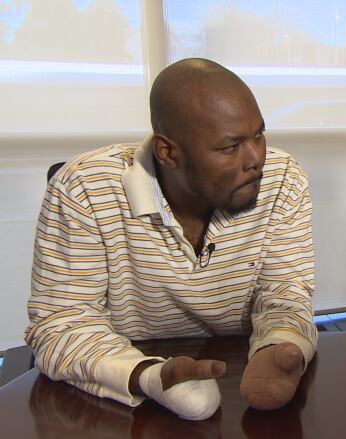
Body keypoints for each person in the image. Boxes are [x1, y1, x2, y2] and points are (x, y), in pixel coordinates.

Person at [25, 58, 317, 420]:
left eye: (258, 134)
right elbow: (60, 324)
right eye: (230, 147)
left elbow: (286, 292)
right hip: (122, 397)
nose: (256, 158)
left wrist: (282, 345)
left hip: (239, 376)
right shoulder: (84, 188)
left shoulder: (282, 178)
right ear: (168, 153)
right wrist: (148, 376)